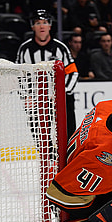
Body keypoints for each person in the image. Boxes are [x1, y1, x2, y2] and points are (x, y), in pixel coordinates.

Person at [16, 9, 79, 137]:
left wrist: (62, 93)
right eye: (38, 23)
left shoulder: (60, 48)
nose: (42, 26)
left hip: (61, 100)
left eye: (44, 22)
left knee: (67, 134)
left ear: (50, 25)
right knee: (39, 137)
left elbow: (73, 73)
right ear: (32, 27)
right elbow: (18, 75)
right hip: (35, 100)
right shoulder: (25, 49)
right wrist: (26, 95)